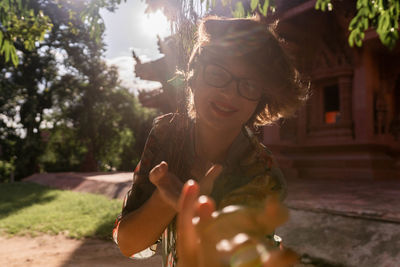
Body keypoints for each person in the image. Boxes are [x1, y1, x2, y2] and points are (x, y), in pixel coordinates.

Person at [113, 15, 307, 267]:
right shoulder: (166, 134)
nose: (228, 93)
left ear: (259, 101)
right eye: (218, 73)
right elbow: (129, 244)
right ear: (193, 76)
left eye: (248, 85)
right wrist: (165, 199)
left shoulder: (262, 170)